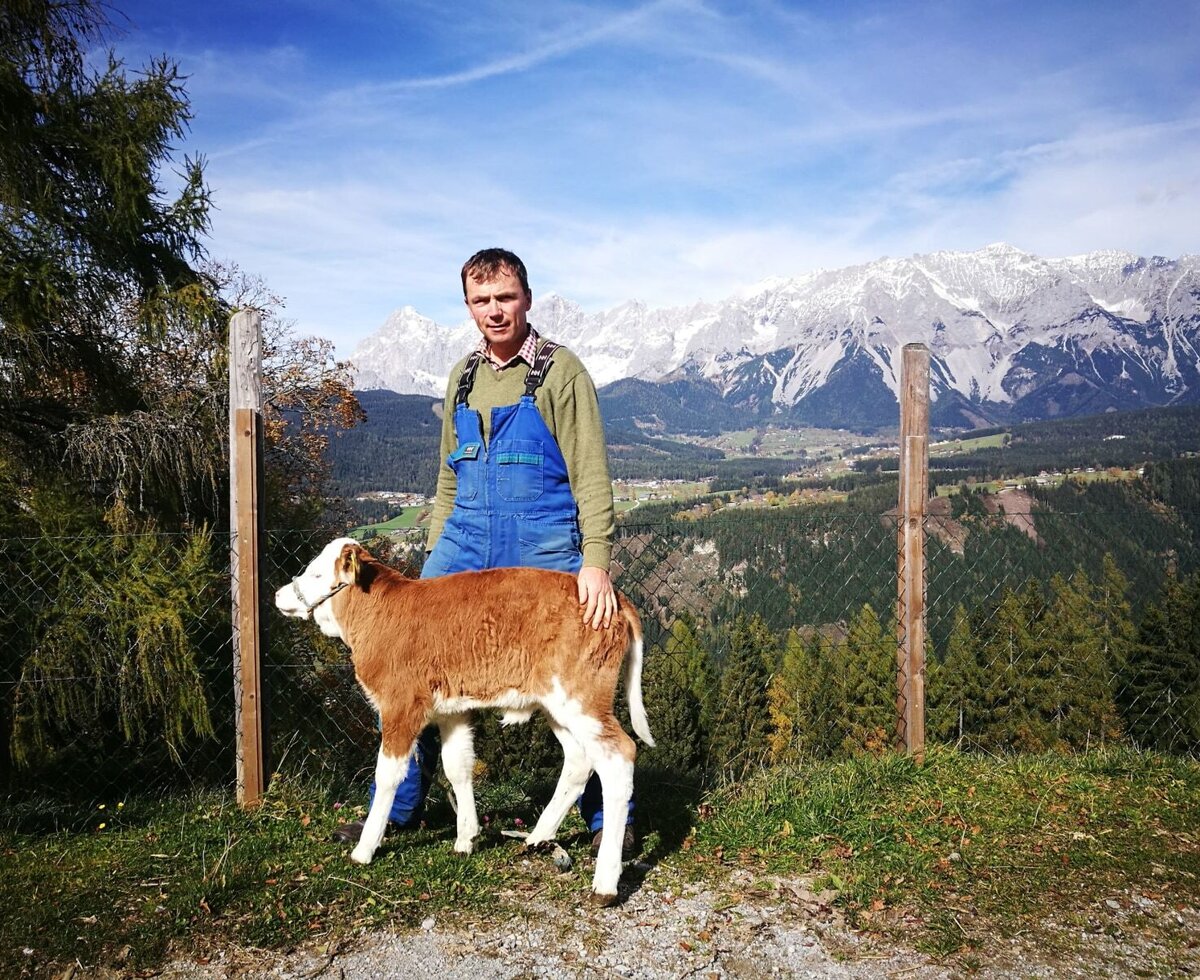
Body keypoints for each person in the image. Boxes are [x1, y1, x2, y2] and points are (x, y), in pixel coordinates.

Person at [333, 247, 634, 856]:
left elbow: (591, 474)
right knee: (401, 662)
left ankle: (609, 820)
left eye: (505, 298)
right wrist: (430, 564)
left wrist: (594, 562)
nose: (494, 312)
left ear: (526, 299)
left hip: (543, 541)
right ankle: (402, 809)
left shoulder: (560, 371)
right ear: (468, 306)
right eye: (481, 300)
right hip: (465, 539)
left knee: (577, 674)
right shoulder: (463, 376)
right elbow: (449, 478)